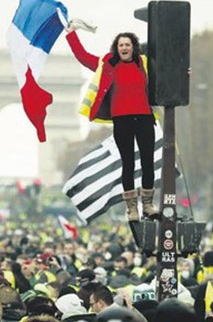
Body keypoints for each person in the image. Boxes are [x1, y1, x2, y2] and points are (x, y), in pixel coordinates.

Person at [65, 22, 159, 221]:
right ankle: (132, 208)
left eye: (127, 44)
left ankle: (148, 205)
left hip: (144, 117)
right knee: (128, 163)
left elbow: (166, 72)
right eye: (120, 45)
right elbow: (83, 57)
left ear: (134, 47)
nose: (124, 48)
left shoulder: (144, 63)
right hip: (122, 119)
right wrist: (71, 34)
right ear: (116, 49)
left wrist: (185, 73)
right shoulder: (106, 64)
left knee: (148, 161)